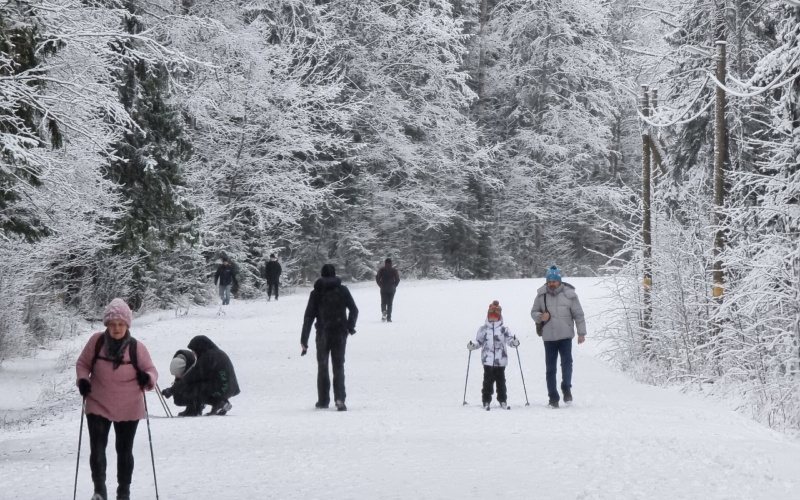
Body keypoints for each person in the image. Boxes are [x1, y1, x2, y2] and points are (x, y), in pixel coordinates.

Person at [75, 298, 158, 500]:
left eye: (121, 324)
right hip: (98, 403)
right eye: (112, 325)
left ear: (127, 325)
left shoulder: (136, 348)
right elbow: (83, 364)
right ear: (107, 325)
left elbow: (151, 371)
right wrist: (83, 380)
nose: (117, 329)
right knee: (97, 447)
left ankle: (123, 492)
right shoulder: (97, 342)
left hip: (129, 406)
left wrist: (147, 378)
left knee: (124, 449)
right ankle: (99, 492)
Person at [300, 264, 358, 411]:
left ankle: (323, 400)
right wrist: (349, 327)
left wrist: (304, 340)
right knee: (338, 366)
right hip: (339, 332)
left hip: (322, 333)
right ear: (334, 273)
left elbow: (308, 317)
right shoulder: (343, 290)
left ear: (322, 274)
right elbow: (354, 310)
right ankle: (339, 398)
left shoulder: (316, 293)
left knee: (323, 366)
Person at [530, 265, 586, 408]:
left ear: (559, 281)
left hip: (565, 336)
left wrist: (581, 333)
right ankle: (553, 398)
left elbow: (578, 315)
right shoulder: (541, 295)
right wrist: (541, 317)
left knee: (567, 365)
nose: (551, 284)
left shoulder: (570, 295)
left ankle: (566, 387)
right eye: (549, 281)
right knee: (550, 369)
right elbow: (533, 312)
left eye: (554, 281)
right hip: (549, 337)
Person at [161, 335, 240, 416]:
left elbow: (190, 377)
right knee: (200, 386)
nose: (193, 352)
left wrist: (172, 390)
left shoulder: (208, 356)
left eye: (193, 349)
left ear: (199, 347)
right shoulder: (218, 353)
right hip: (230, 389)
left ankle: (198, 408)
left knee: (190, 389)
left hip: (220, 388)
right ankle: (220, 403)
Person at [467, 301, 519, 410]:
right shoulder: (483, 329)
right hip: (488, 360)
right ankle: (486, 400)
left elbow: (509, 340)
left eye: (495, 317)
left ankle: (502, 400)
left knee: (501, 381)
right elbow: (479, 341)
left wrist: (514, 342)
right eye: (490, 317)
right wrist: (473, 345)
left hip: (501, 360)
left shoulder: (504, 329)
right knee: (488, 381)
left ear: (499, 317)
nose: (492, 319)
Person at [161, 349, 200, 416]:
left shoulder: (195, 371)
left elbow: (185, 384)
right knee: (178, 395)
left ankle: (196, 407)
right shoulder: (180, 363)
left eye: (178, 374)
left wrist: (171, 390)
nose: (176, 376)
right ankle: (191, 407)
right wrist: (170, 390)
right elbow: (179, 384)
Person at [375, 258, 400, 322]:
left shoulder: (381, 270)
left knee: (383, 302)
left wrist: (380, 285)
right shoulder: (394, 270)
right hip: (391, 289)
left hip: (383, 288)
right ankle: (389, 318)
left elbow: (377, 278)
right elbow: (397, 279)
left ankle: (383, 312)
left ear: (385, 263)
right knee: (390, 303)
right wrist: (394, 286)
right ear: (391, 263)